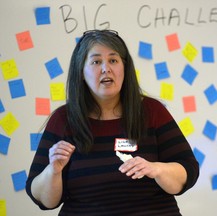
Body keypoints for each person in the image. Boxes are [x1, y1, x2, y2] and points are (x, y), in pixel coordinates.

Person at [26, 29, 199, 216]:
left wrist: (157, 168)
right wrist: (54, 170)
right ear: (81, 72)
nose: (106, 68)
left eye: (113, 60)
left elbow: (188, 171)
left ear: (125, 68)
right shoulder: (63, 119)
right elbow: (43, 200)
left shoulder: (152, 111)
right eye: (96, 61)